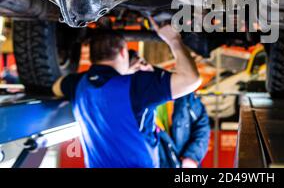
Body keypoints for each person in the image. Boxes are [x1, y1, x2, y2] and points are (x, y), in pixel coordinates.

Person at [52, 19, 200, 168]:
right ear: (123, 52)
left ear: (92, 57)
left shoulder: (77, 84)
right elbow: (190, 79)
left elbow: (56, 87)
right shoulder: (135, 86)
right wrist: (173, 40)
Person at [130, 52, 210, 168]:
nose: (143, 68)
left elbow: (202, 125)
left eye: (143, 63)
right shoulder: (132, 106)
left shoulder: (182, 90)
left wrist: (192, 157)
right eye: (136, 68)